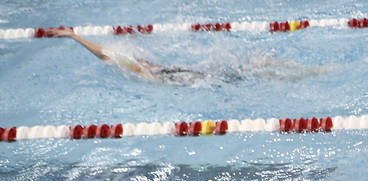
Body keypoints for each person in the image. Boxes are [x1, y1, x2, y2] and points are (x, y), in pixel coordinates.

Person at [44, 27, 326, 85]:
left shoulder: (148, 72)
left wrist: (74, 36)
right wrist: (75, 37)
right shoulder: (146, 70)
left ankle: (307, 73)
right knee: (254, 68)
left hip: (197, 79)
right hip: (196, 77)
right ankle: (306, 73)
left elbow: (107, 56)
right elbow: (106, 55)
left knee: (255, 70)